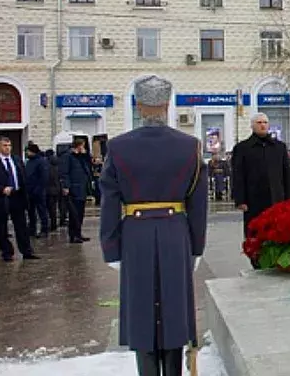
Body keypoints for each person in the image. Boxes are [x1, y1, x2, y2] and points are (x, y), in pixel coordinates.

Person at [99, 75, 208, 376]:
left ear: (138, 104)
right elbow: (199, 203)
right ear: (167, 103)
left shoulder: (118, 148)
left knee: (141, 309)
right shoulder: (190, 146)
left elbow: (109, 201)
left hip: (135, 234)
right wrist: (197, 246)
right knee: (174, 309)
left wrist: (111, 247)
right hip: (176, 232)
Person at [231, 113, 290, 266]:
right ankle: (256, 261)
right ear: (252, 125)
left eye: (265, 122)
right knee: (255, 234)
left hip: (277, 200)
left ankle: (276, 261)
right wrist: (240, 199)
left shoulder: (279, 147)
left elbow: (287, 175)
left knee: (277, 233)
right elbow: (238, 176)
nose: (262, 125)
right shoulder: (243, 148)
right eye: (259, 122)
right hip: (254, 202)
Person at [0, 136, 39, 262]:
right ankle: (7, 252)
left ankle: (26, 251)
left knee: (21, 225)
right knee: (1, 226)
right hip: (1, 197)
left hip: (17, 195)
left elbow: (22, 176)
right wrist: (1, 188)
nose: (7, 148)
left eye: (9, 145)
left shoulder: (16, 159)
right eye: (4, 145)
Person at [60, 138, 93, 244]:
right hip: (73, 188)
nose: (83, 148)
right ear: (78, 146)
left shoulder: (80, 157)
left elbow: (88, 166)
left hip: (82, 188)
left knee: (80, 213)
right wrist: (66, 186)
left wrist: (85, 155)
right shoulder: (68, 156)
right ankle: (73, 235)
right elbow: (64, 172)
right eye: (82, 146)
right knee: (74, 214)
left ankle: (78, 234)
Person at [24, 143, 50, 238]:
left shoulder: (41, 161)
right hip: (29, 191)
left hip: (38, 192)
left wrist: (38, 189)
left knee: (42, 211)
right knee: (31, 212)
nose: (27, 153)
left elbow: (43, 177)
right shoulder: (29, 161)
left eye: (28, 151)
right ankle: (32, 229)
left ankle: (44, 229)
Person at [44, 149, 61, 232]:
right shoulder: (57, 164)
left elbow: (47, 178)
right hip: (56, 189)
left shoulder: (47, 165)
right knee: (54, 208)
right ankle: (54, 224)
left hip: (48, 190)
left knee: (49, 209)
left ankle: (51, 225)